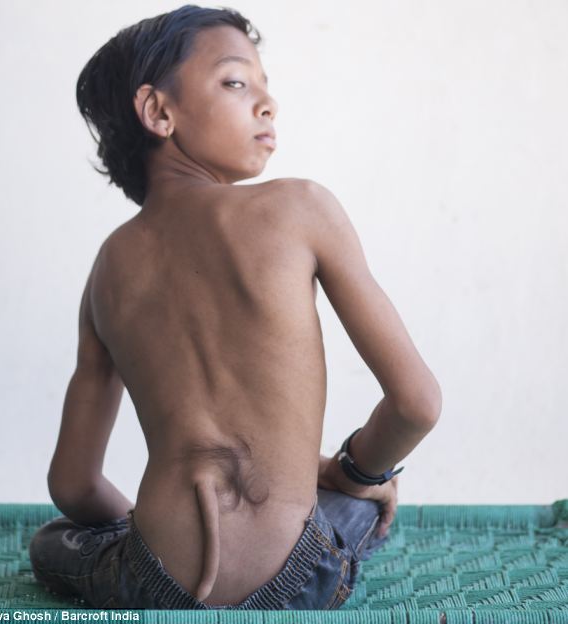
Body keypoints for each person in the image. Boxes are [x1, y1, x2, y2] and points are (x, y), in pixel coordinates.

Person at [29, 4, 442, 610]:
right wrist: (354, 474)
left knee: (53, 542)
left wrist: (142, 535)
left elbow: (73, 484)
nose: (268, 104)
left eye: (266, 88)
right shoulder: (301, 209)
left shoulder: (108, 267)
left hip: (153, 578)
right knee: (357, 501)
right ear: (159, 112)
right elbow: (417, 404)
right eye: (236, 81)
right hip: (297, 576)